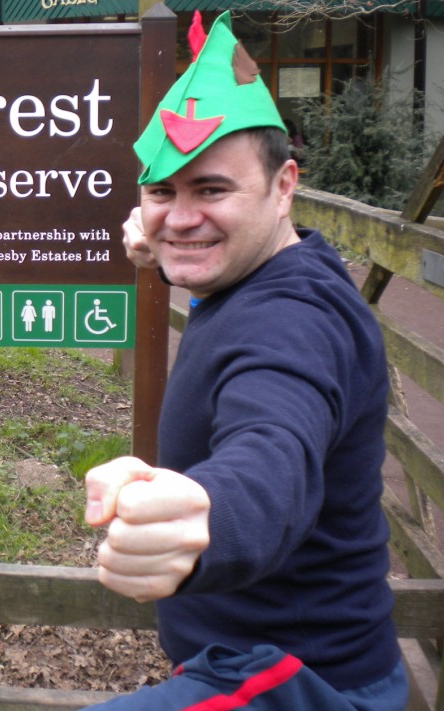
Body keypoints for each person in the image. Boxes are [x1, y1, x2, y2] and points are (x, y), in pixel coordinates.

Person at [80, 12, 406, 710]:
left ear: (284, 186)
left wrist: (213, 512)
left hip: (300, 680)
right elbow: (197, 247)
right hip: (251, 659)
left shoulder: (296, 320)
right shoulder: (260, 269)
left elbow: (274, 447)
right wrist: (162, 248)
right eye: (163, 191)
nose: (182, 215)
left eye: (213, 190)